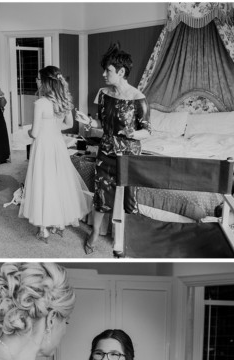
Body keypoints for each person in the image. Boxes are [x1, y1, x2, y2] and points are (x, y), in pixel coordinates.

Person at [76, 43, 151, 255]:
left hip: (129, 156)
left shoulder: (138, 98)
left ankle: (127, 237)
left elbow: (147, 131)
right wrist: (88, 121)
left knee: (129, 196)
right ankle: (94, 232)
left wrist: (132, 134)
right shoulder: (103, 95)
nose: (103, 74)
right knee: (101, 194)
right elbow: (101, 125)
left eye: (107, 70)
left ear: (121, 72)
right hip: (106, 152)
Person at [19, 66, 91, 242]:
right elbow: (68, 124)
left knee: (43, 181)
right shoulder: (62, 101)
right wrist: (52, 127)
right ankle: (58, 221)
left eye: (38, 78)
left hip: (43, 145)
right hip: (57, 144)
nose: (36, 81)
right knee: (58, 179)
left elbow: (34, 133)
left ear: (45, 82)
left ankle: (43, 228)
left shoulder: (40, 103)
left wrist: (30, 132)